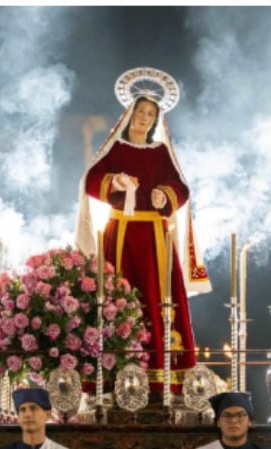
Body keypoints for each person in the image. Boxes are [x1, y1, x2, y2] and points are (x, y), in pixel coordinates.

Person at [76, 84, 211, 392]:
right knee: (118, 296)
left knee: (157, 297)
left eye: (150, 114)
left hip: (154, 239)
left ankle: (162, 374)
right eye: (140, 111)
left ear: (155, 120)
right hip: (120, 234)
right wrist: (116, 182)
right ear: (130, 114)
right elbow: (91, 180)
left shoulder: (161, 152)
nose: (144, 117)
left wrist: (165, 195)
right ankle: (114, 373)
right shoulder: (116, 149)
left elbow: (181, 188)